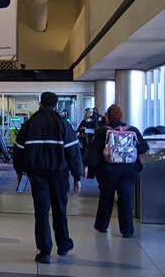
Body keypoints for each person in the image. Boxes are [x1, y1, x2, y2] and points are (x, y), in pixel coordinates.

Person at [12, 91, 84, 264]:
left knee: (41, 212)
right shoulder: (63, 124)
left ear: (40, 103)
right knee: (60, 210)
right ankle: (64, 245)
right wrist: (77, 176)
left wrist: (19, 172)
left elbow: (18, 151)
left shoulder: (29, 124)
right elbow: (73, 152)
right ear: (56, 105)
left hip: (37, 175)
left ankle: (44, 252)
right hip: (59, 174)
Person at [87, 104, 149, 238]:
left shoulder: (102, 131)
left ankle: (102, 226)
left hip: (107, 171)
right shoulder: (132, 130)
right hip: (127, 171)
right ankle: (127, 231)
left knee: (106, 198)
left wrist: (92, 171)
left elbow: (93, 154)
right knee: (125, 200)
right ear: (121, 115)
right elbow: (144, 147)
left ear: (107, 116)